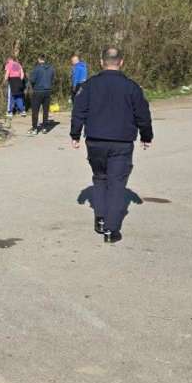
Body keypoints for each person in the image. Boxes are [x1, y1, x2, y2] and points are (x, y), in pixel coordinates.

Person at [70, 47, 153, 243]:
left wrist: (75, 134)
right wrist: (146, 136)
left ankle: (100, 219)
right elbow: (143, 114)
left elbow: (78, 111)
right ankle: (110, 229)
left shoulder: (89, 86)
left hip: (95, 141)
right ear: (121, 62)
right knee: (116, 184)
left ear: (101, 62)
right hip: (121, 143)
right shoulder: (132, 87)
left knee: (100, 178)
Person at [28, 55, 55, 134]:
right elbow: (52, 79)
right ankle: (45, 128)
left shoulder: (36, 68)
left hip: (38, 91)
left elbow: (32, 80)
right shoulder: (51, 68)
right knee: (45, 110)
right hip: (47, 91)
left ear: (39, 59)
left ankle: (34, 128)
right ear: (45, 60)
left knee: (35, 110)